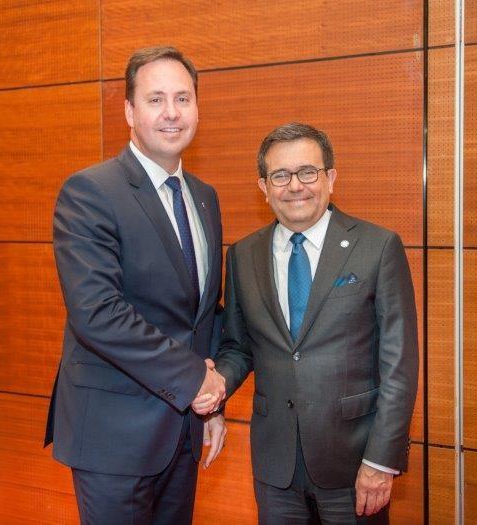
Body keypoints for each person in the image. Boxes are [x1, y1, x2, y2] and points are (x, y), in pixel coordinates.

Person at [44, 46, 227, 524]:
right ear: (129, 111)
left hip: (181, 434)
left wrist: (211, 401)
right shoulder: (90, 191)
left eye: (183, 99)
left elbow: (202, 315)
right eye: (155, 99)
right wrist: (194, 381)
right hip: (113, 438)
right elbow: (97, 313)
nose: (171, 113)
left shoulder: (205, 198)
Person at [203, 123, 418, 524]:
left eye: (308, 172)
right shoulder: (243, 255)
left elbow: (400, 367)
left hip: (354, 462)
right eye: (280, 175)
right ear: (264, 187)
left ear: (331, 178)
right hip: (275, 465)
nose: (295, 186)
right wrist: (215, 388)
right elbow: (238, 346)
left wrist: (382, 460)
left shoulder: (377, 247)